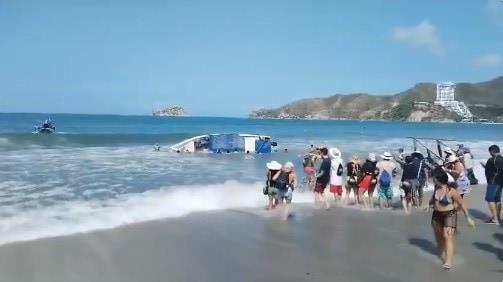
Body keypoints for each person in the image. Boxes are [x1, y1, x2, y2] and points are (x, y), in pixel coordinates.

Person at [429, 166, 475, 270]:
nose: (432, 179)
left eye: (434, 178)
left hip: (450, 215)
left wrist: (468, 218)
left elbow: (461, 203)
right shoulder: (436, 188)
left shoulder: (451, 191)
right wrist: (428, 205)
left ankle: (448, 261)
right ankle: (444, 253)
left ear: (438, 179)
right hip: (436, 215)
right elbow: (432, 200)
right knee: (439, 238)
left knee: (447, 237)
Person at [481, 145, 503, 224]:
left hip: (493, 182)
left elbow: (488, 170)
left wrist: (484, 166)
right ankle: (498, 218)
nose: (490, 153)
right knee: (497, 200)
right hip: (500, 183)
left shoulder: (491, 160)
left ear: (492, 151)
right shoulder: (502, 159)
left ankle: (495, 219)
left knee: (490, 199)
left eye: (490, 151)